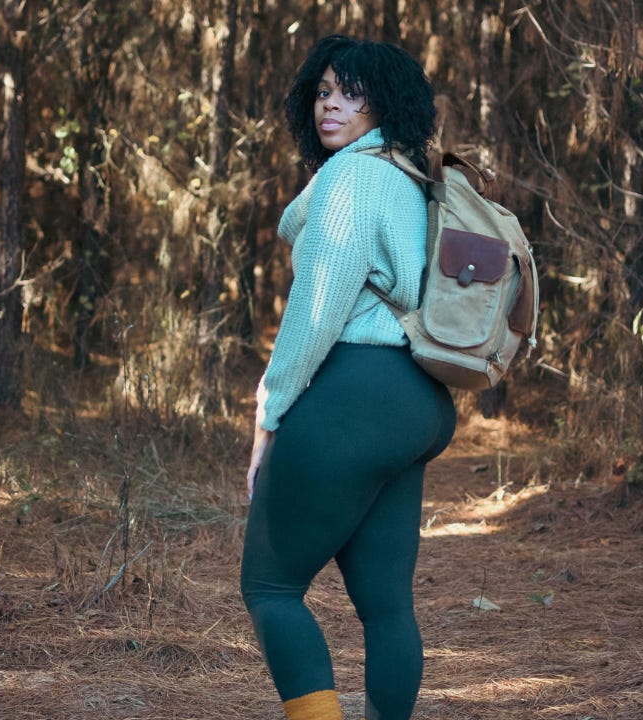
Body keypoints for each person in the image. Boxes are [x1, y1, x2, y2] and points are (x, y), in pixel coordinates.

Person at [241, 35, 457, 720]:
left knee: (271, 587)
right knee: (386, 605)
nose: (331, 102)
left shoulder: (352, 180)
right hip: (417, 400)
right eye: (323, 90)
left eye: (352, 91)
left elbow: (317, 311)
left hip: (357, 394)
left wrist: (269, 410)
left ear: (385, 101)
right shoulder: (408, 179)